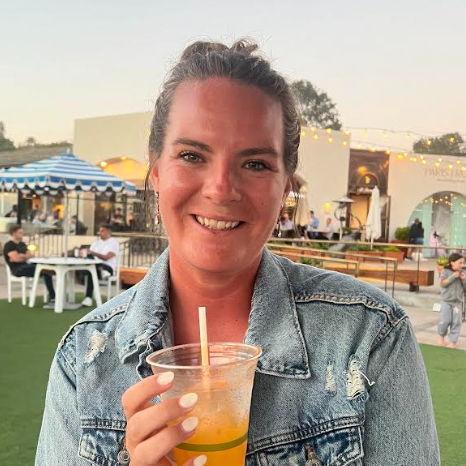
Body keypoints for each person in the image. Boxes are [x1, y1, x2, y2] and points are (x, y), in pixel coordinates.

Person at [36, 40, 439, 465]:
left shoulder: (368, 335)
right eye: (192, 155)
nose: (221, 189)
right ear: (156, 173)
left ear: (285, 189)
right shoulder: (85, 357)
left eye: (256, 164)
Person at [3, 224, 55, 307]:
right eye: (20, 233)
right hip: (17, 269)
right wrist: (23, 257)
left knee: (45, 268)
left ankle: (53, 297)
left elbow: (30, 255)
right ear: (14, 233)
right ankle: (53, 297)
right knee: (44, 270)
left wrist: (21, 256)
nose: (22, 234)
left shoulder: (22, 244)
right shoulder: (9, 245)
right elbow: (16, 259)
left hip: (26, 266)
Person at [80, 224, 120, 306]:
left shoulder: (113, 243)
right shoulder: (96, 243)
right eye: (99, 231)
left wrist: (93, 253)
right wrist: (84, 253)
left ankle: (88, 297)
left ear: (108, 232)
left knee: (92, 270)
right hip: (95, 266)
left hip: (108, 267)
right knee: (91, 266)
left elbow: (106, 257)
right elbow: (90, 255)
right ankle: (101, 272)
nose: (99, 233)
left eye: (102, 231)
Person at [438, 253, 465, 349]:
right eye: (460, 262)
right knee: (445, 321)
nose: (462, 265)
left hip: (457, 303)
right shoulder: (445, 271)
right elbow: (442, 284)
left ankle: (453, 341)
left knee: (456, 322)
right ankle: (441, 338)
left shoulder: (463, 273)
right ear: (452, 263)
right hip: (446, 301)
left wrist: (463, 279)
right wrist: (453, 276)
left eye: (463, 263)